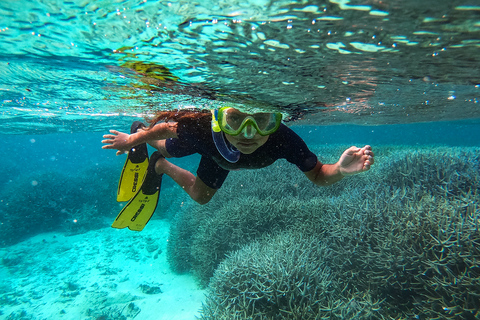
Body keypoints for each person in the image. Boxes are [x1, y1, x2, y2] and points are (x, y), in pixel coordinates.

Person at [101, 107, 374, 230]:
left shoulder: (285, 140)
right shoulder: (202, 128)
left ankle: (159, 167)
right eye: (235, 120)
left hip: (218, 159)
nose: (248, 133)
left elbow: (318, 175)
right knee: (165, 144)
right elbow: (166, 126)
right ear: (220, 119)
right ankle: (141, 130)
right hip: (210, 148)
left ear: (275, 122)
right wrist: (133, 139)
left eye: (261, 121)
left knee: (201, 197)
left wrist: (338, 169)